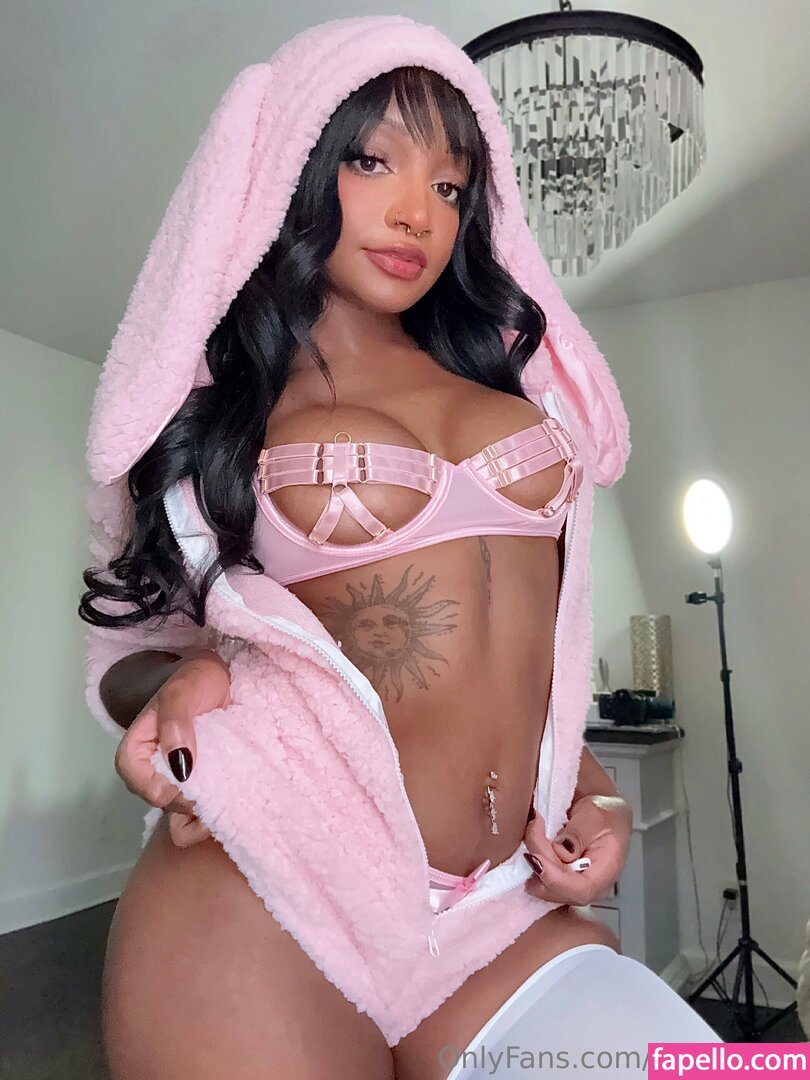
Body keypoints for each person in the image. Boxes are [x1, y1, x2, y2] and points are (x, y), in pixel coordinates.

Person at [80, 16, 720, 1078]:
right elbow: (128, 659)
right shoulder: (217, 412)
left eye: (452, 184)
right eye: (373, 161)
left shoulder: (521, 387)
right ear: (297, 166)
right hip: (272, 887)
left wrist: (592, 790)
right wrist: (192, 675)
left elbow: (529, 656)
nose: (419, 212)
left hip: (497, 909)